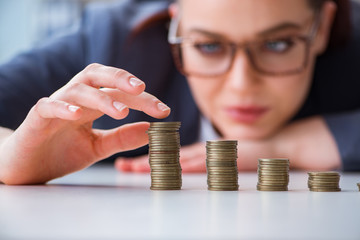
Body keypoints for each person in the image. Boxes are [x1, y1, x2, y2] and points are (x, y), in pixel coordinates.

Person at [0, 0, 359, 185]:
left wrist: (285, 147)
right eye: (207, 46)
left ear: (322, 26)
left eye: (278, 44)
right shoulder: (110, 43)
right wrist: (8, 157)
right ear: (177, 22)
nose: (241, 85)